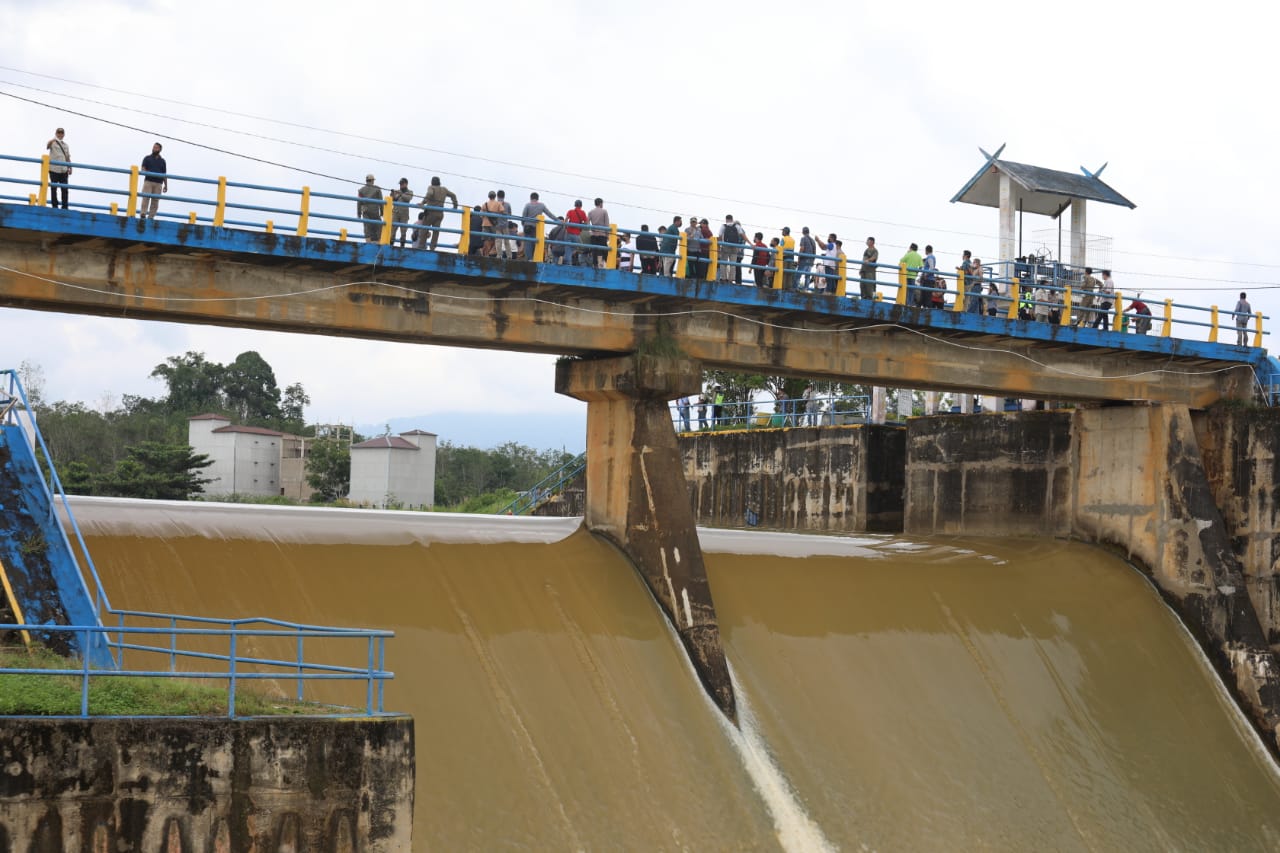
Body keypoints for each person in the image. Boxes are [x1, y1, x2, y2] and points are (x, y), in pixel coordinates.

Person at [420, 176, 459, 251]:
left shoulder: (431, 187)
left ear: (432, 182)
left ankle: (421, 247)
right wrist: (455, 206)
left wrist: (422, 203)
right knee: (436, 232)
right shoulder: (444, 189)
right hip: (440, 214)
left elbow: (430, 194)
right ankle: (432, 248)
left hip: (430, 213)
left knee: (424, 229)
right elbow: (453, 195)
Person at [521, 192, 560, 258]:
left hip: (527, 227)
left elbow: (523, 216)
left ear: (531, 198)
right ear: (538, 198)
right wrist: (557, 220)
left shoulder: (527, 205)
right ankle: (535, 258)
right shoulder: (541, 205)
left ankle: (529, 259)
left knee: (528, 243)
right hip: (537, 227)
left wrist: (523, 224)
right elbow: (549, 214)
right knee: (536, 243)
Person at [139, 142, 168, 219]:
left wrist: (166, 185)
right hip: (148, 181)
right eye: (153, 147)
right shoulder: (147, 158)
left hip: (159, 183)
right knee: (145, 198)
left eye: (156, 148)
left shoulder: (163, 161)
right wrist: (146, 172)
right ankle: (143, 214)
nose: (154, 149)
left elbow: (164, 173)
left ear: (160, 149)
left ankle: (151, 217)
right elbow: (143, 168)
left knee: (155, 201)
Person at [46, 127, 71, 209]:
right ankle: (55, 205)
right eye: (58, 133)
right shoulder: (53, 142)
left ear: (63, 134)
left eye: (61, 133)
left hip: (63, 169)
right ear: (56, 133)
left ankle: (65, 206)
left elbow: (67, 157)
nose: (60, 134)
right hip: (54, 169)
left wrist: (70, 167)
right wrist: (52, 140)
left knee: (65, 189)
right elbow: (47, 146)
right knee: (54, 188)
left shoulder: (66, 145)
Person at [719, 215, 747, 283]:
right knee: (734, 264)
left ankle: (723, 278)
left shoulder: (724, 226)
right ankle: (732, 279)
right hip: (736, 248)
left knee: (723, 262)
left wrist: (720, 245)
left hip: (726, 246)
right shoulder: (739, 228)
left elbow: (720, 236)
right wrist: (751, 244)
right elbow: (744, 239)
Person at [389, 178, 414, 247]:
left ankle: (402, 246)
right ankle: (391, 244)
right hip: (395, 213)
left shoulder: (410, 192)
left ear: (406, 184)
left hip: (404, 214)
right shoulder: (397, 191)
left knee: (403, 231)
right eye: (400, 184)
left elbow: (408, 198)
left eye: (402, 184)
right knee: (393, 230)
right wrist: (392, 194)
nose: (401, 185)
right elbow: (392, 200)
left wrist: (401, 194)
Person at [587, 198, 610, 268]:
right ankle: (607, 263)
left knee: (594, 250)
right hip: (602, 234)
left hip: (594, 234)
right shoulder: (604, 211)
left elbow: (587, 223)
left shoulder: (590, 212)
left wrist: (590, 231)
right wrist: (607, 234)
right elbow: (607, 224)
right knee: (604, 250)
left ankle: (595, 264)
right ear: (600, 203)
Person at [564, 200, 589, 265]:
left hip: (569, 232)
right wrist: (581, 224)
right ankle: (571, 261)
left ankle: (568, 263)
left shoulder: (570, 211)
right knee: (577, 248)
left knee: (568, 248)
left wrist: (566, 227)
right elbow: (586, 222)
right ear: (581, 206)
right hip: (577, 234)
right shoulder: (583, 212)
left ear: (575, 205)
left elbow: (566, 220)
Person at [482, 191, 505, 257]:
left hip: (485, 223)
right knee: (494, 239)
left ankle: (486, 253)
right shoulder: (498, 203)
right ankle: (489, 251)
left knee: (486, 239)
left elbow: (481, 214)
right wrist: (496, 214)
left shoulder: (485, 204)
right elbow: (502, 210)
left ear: (488, 196)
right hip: (493, 224)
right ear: (495, 196)